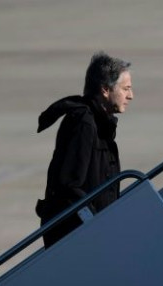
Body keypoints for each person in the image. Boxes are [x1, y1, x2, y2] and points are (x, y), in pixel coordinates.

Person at [35, 51, 133, 247]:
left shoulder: (99, 123)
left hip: (89, 232)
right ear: (105, 89)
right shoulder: (83, 123)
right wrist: (96, 224)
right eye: (125, 89)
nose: (130, 96)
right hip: (76, 236)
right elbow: (69, 186)